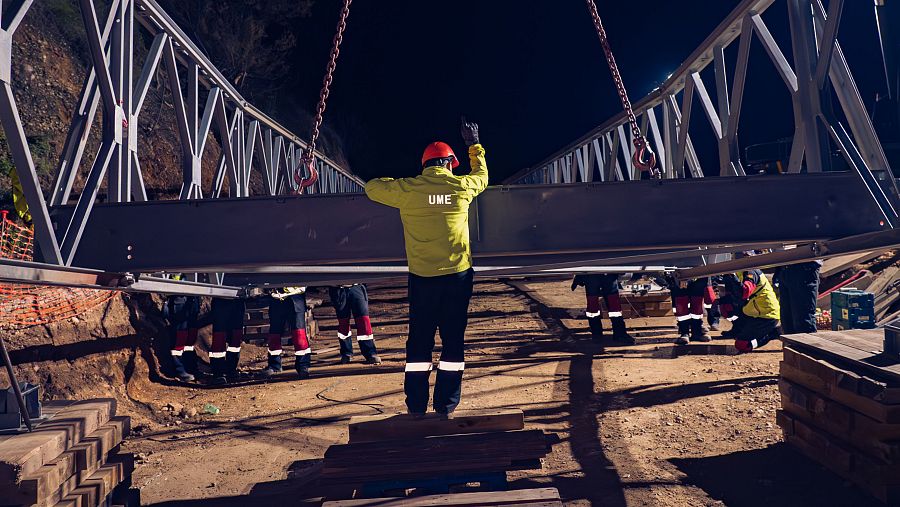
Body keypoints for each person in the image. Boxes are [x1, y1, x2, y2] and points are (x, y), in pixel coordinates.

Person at [364, 117, 487, 416]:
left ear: (426, 165)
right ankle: (445, 406)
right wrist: (474, 145)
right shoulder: (462, 187)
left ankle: (416, 407)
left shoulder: (409, 190)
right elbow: (481, 176)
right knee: (453, 341)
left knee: (419, 342)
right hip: (457, 276)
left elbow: (372, 188)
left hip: (422, 279)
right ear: (448, 163)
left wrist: (400, 184)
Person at [719, 269, 781, 352]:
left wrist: (732, 277)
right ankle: (736, 330)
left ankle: (773, 333)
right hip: (751, 313)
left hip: (767, 316)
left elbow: (744, 292)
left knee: (742, 345)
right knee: (728, 309)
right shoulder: (739, 270)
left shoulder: (751, 272)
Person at [260, 287, 311, 379]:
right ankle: (274, 365)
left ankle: (303, 365)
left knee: (299, 334)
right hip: (276, 298)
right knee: (274, 334)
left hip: (296, 297)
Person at [571, 274, 635, 344]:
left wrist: (579, 276)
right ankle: (618, 334)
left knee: (601, 307)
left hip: (594, 276)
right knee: (608, 306)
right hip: (604, 275)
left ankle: (598, 335)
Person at [328, 284, 382, 364]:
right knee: (343, 323)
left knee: (364, 320)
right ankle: (346, 353)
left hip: (357, 286)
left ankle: (370, 353)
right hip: (338, 289)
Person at [775, 261, 822, 334]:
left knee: (803, 322)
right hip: (784, 267)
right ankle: (791, 344)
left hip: (803, 268)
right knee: (787, 322)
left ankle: (806, 345)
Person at [209, 297, 247, 385]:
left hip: (238, 300)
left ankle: (231, 370)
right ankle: (218, 373)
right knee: (219, 338)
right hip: (221, 300)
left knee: (235, 338)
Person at [164, 293, 201, 382]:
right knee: (180, 337)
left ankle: (191, 368)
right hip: (179, 299)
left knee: (190, 338)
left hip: (193, 299)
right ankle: (179, 370)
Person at [669, 277, 712, 345]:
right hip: (681, 273)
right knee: (682, 301)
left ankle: (697, 333)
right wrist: (682, 277)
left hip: (700, 273)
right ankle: (684, 333)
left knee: (697, 302)